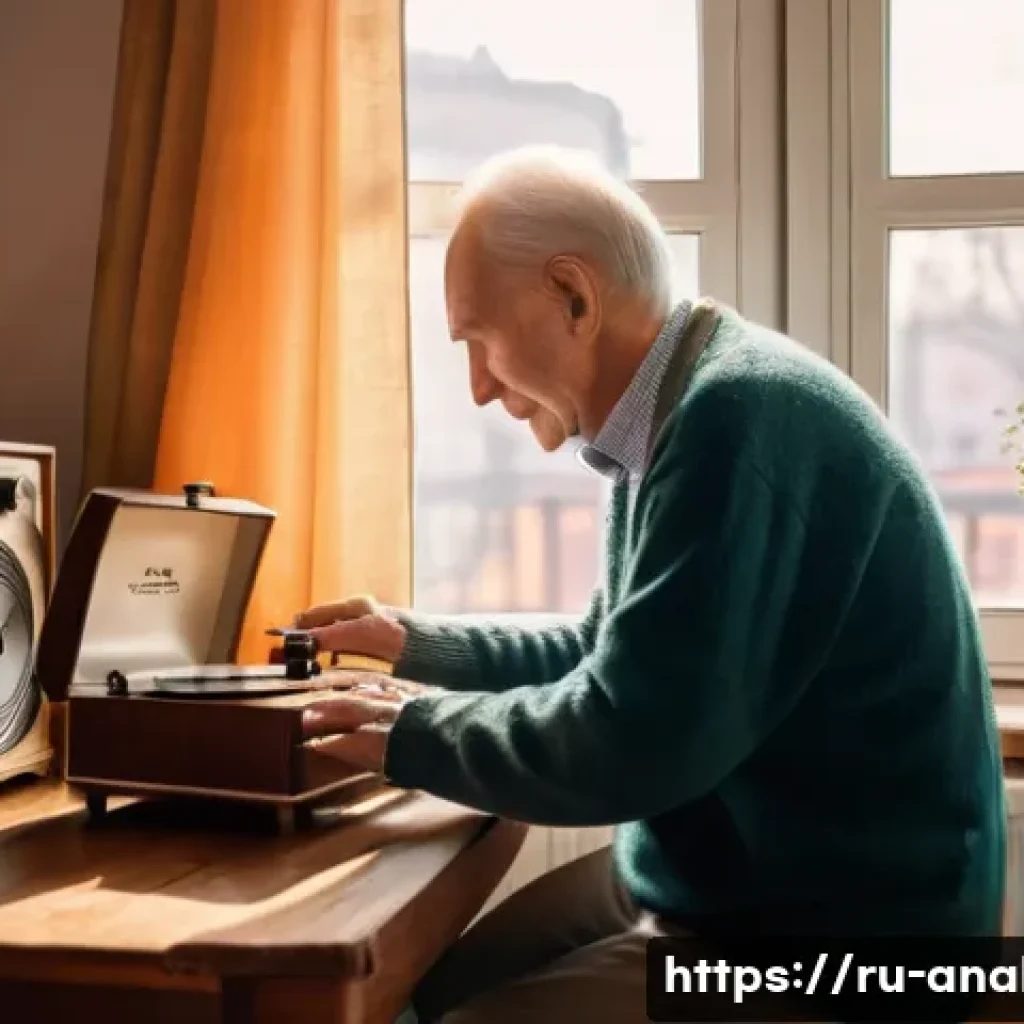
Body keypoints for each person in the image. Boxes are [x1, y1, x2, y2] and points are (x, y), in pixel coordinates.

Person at [294, 146, 1007, 1023]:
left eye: (478, 340)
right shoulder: (676, 413)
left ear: (574, 296)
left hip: (853, 945)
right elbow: (611, 655)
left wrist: (407, 730)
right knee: (414, 990)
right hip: (753, 888)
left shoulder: (732, 423)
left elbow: (628, 739)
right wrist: (415, 647)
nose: (478, 388)